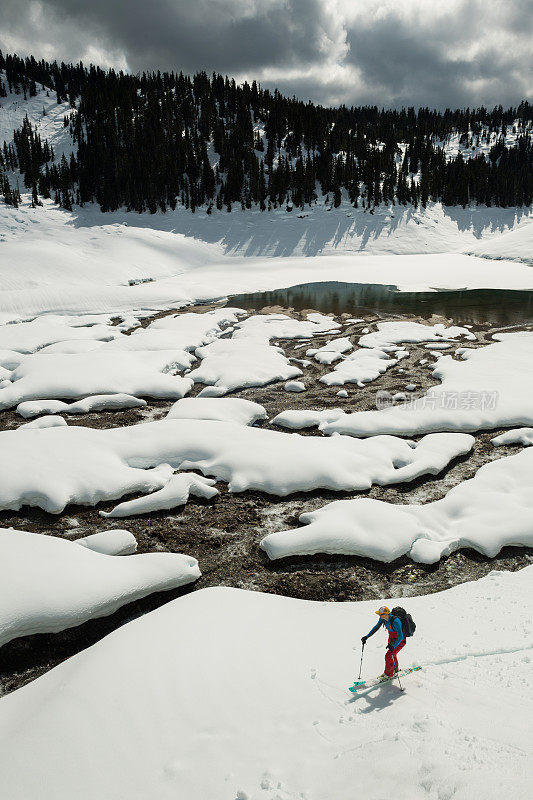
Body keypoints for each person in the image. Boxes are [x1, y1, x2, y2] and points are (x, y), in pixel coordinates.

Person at [361, 605, 405, 679]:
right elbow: (376, 627)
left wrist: (393, 646)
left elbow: (401, 636)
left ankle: (388, 675)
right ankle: (395, 669)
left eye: (380, 614)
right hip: (391, 638)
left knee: (388, 656)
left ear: (386, 614)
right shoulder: (383, 619)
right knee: (392, 654)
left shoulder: (395, 621)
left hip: (400, 640)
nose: (379, 615)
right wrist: (367, 637)